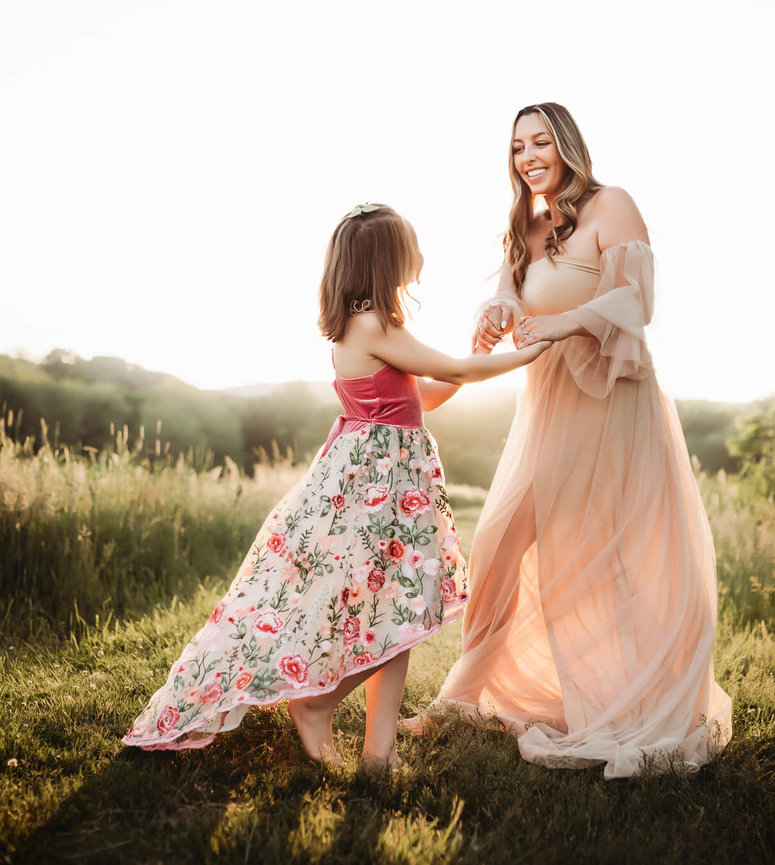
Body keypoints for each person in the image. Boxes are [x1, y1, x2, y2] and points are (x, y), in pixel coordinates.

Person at [121, 203, 551, 769]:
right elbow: (457, 374)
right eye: (412, 245)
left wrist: (479, 353)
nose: (421, 254)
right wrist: (539, 348)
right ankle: (318, 703)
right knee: (404, 608)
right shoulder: (373, 324)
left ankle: (379, 753)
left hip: (384, 479)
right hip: (380, 484)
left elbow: (426, 398)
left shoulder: (365, 323)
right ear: (387, 260)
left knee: (396, 610)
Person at [411, 103, 733, 778]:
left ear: (566, 145)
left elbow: (633, 304)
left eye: (541, 141)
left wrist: (560, 325)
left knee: (605, 552)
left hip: (612, 401)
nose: (529, 154)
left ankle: (633, 695)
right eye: (518, 145)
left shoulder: (610, 204)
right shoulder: (526, 224)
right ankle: (462, 697)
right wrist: (497, 310)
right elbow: (508, 294)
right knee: (500, 538)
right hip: (549, 405)